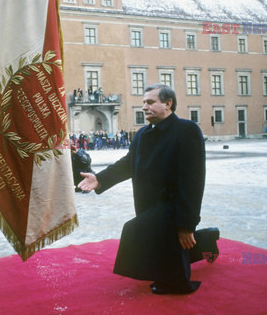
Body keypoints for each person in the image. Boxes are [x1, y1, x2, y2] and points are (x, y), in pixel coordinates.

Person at [78, 83, 219, 294]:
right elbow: (128, 163)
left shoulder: (187, 130)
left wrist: (187, 224)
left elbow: (193, 181)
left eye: (150, 102)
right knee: (166, 243)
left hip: (174, 205)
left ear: (168, 104)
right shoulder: (143, 133)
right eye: (144, 102)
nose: (144, 107)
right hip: (147, 204)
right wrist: (100, 179)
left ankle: (173, 283)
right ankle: (207, 240)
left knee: (135, 231)